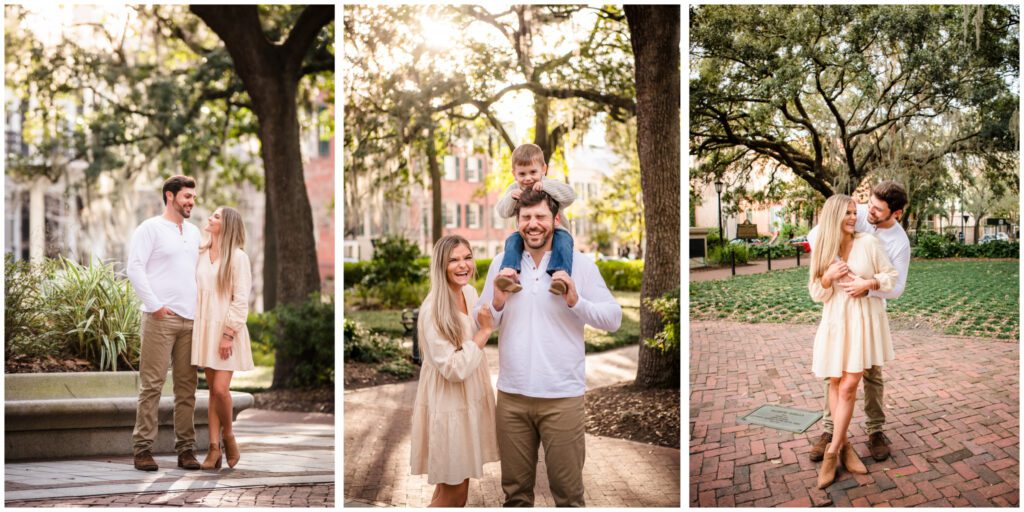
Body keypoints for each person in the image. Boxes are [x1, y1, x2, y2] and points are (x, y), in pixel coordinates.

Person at [476, 189, 623, 506]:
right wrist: (497, 304)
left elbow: (613, 318)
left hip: (562, 398)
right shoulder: (503, 263)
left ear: (555, 219)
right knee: (515, 497)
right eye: (526, 217)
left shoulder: (577, 264)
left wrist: (576, 301)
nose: (533, 224)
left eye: (540, 216)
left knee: (568, 497)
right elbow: (481, 321)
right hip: (512, 398)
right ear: (518, 222)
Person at [807, 181, 910, 463]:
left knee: (871, 374)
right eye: (869, 205)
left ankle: (875, 431)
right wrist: (829, 265)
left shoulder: (898, 243)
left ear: (896, 213)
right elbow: (818, 234)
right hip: (839, 311)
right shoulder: (857, 213)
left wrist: (868, 285)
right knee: (836, 375)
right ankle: (832, 433)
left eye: (877, 210)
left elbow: (897, 286)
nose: (867, 213)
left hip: (869, 311)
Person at [409, 235, 500, 507]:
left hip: (468, 402)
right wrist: (485, 332)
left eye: (467, 257)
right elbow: (452, 368)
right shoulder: (433, 310)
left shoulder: (468, 293)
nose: (463, 265)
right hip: (449, 405)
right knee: (454, 494)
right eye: (454, 260)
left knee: (448, 490)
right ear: (441, 265)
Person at [127, 175, 202, 471]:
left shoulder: (194, 232)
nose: (191, 202)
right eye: (186, 197)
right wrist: (155, 306)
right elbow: (134, 267)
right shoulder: (150, 229)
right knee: (152, 386)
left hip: (191, 320)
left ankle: (186, 451)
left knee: (187, 389)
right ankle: (142, 449)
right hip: (160, 320)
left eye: (193, 197)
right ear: (170, 196)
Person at [191, 206, 254, 470]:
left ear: (227, 225)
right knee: (212, 394)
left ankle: (229, 436)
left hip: (226, 329)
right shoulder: (201, 253)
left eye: (216, 217)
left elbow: (241, 300)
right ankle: (213, 448)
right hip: (204, 327)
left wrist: (228, 334)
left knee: (221, 390)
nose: (209, 218)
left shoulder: (239, 258)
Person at [494, 143, 577, 295]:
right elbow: (502, 212)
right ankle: (509, 274)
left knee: (564, 242)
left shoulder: (550, 184)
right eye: (522, 174)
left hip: (556, 230)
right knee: (511, 241)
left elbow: (571, 195)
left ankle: (560, 277)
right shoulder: (514, 189)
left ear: (543, 169)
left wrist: (545, 186)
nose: (528, 178)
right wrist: (511, 199)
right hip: (524, 233)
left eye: (533, 172)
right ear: (514, 173)